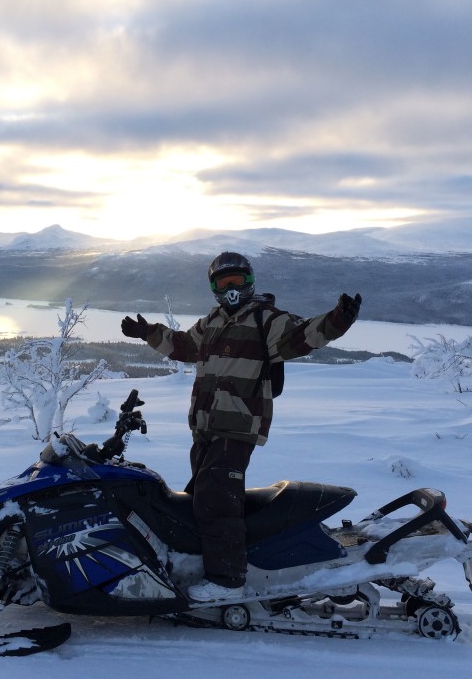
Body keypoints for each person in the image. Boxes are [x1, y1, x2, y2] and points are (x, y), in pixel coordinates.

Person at [120, 251, 362, 602]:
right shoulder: (214, 321)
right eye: (224, 282)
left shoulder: (265, 319)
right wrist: (149, 333)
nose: (232, 289)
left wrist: (337, 320)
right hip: (205, 428)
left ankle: (227, 580)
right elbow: (185, 346)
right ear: (214, 288)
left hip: (237, 428)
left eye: (239, 281)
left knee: (216, 500)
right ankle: (202, 562)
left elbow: (301, 336)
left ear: (250, 283)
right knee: (197, 500)